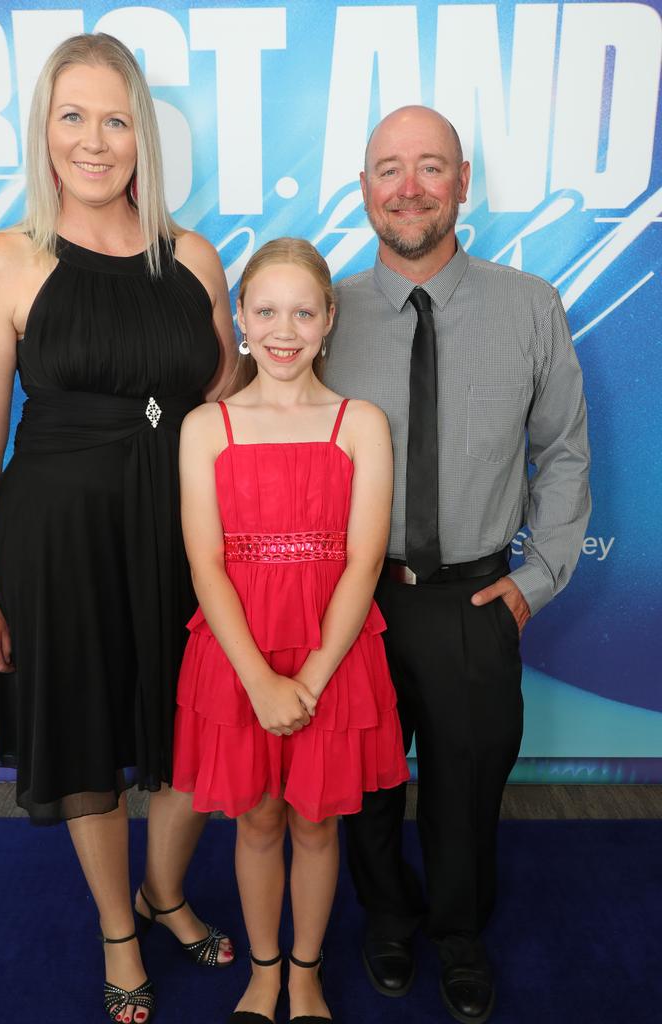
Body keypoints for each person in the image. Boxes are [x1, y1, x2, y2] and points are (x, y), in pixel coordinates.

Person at [0, 33, 238, 1023]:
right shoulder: (7, 261)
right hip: (57, 544)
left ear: (142, 135)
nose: (94, 138)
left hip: (181, 533)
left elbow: (225, 396)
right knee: (84, 732)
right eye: (71, 115)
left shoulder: (195, 257)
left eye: (114, 118)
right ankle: (121, 924)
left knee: (195, 730)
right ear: (43, 131)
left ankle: (165, 889)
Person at [324, 106, 591, 1024]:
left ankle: (460, 929)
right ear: (363, 190)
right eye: (389, 169)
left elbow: (562, 450)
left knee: (468, 779)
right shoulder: (321, 312)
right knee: (361, 782)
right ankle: (386, 915)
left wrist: (540, 576)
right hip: (352, 600)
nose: (409, 188)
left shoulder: (530, 306)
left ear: (463, 183)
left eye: (430, 167)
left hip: (475, 594)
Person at [171, 237, 409, 1023]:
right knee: (258, 818)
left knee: (315, 819)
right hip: (239, 657)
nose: (284, 329)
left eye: (303, 311)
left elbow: (364, 559)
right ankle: (264, 971)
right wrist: (261, 681)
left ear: (329, 320)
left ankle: (305, 974)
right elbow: (207, 566)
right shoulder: (208, 427)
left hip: (329, 658)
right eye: (266, 311)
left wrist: (305, 681)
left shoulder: (358, 423)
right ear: (239, 319)